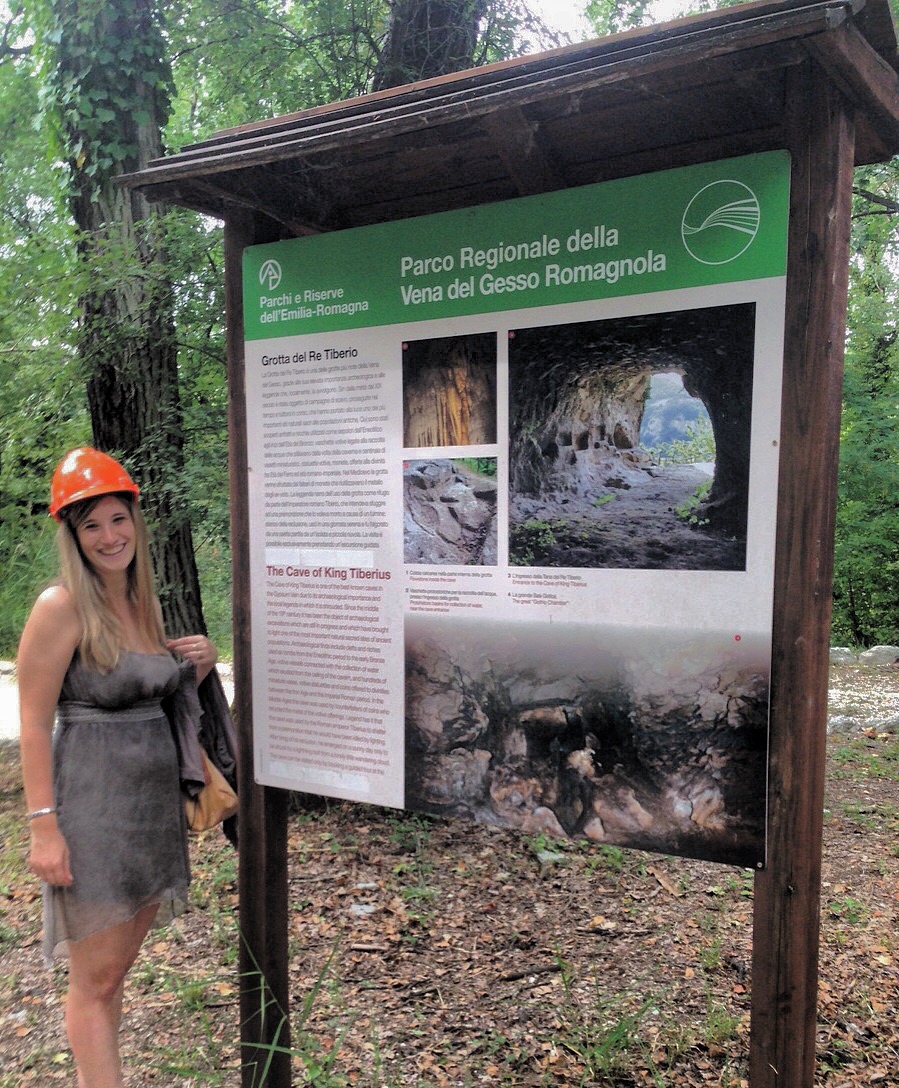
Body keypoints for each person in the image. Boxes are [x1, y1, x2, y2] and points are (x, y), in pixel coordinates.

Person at [18, 447, 218, 1088]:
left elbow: (148, 682)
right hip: (94, 812)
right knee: (95, 980)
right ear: (73, 537)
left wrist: (198, 662)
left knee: (113, 974)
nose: (110, 536)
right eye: (91, 525)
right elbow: (30, 722)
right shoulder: (60, 606)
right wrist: (43, 826)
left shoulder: (137, 601)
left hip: (149, 814)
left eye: (117, 518)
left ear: (135, 519)